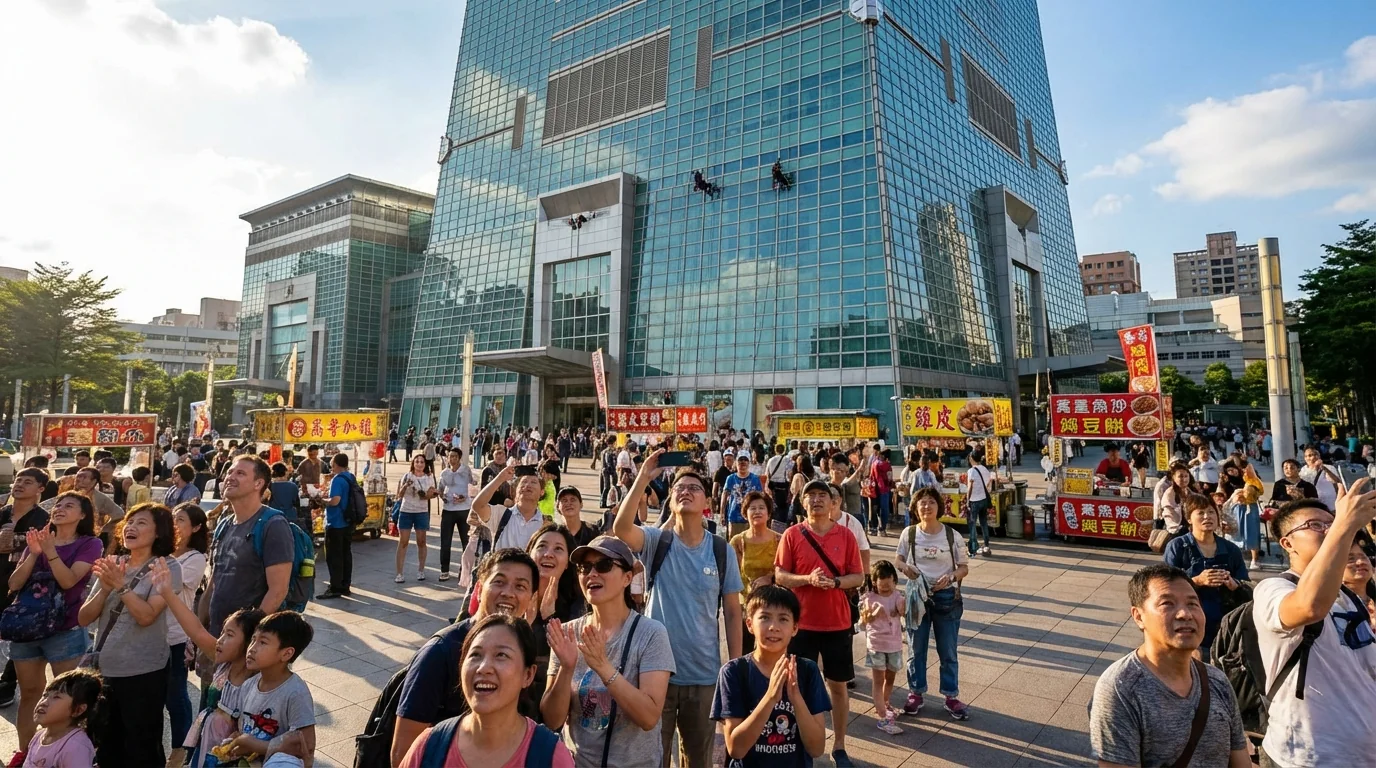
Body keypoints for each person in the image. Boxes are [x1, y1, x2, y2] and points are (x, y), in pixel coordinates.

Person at [612, 450, 743, 768]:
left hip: (703, 675)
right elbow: (622, 528)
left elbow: (733, 612)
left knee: (697, 760)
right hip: (656, 675)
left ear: (705, 503)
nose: (685, 491)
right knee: (652, 758)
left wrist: (736, 669)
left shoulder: (720, 549)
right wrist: (643, 477)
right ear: (671, 503)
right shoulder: (658, 541)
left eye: (694, 488)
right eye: (679, 488)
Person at [1253, 489, 1376, 766]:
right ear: (1287, 543)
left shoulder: (1348, 596)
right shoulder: (1273, 588)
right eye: (1315, 525)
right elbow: (1310, 607)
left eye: (1330, 523)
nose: (1328, 529)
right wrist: (1343, 526)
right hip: (1308, 757)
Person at [1089, 564, 1249, 768]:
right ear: (1138, 616)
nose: (1185, 614)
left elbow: (1240, 760)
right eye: (1167, 604)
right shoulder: (1120, 689)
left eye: (1193, 604)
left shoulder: (1217, 681)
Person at [390, 549, 541, 766]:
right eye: (499, 582)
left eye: (520, 586)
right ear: (479, 588)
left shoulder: (523, 646)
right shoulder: (440, 651)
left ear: (531, 598)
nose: (508, 592)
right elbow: (403, 755)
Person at [542, 536, 675, 767]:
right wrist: (567, 668)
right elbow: (552, 719)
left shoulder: (652, 634)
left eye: (603, 565)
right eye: (585, 567)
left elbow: (649, 717)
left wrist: (604, 667)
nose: (592, 574)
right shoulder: (567, 634)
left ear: (627, 578)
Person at [78, 503, 183, 766]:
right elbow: (83, 618)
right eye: (129, 521)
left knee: (142, 746)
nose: (131, 527)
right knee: (105, 745)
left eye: (141, 523)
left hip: (144, 670)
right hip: (104, 670)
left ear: (159, 532)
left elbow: (147, 616)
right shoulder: (114, 564)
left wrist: (121, 586)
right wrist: (104, 589)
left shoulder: (166, 566)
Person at [399, 614, 574, 768]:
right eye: (475, 655)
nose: (483, 668)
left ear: (528, 675)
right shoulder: (430, 746)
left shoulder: (550, 757)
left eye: (501, 655)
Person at [4, 491, 101, 765]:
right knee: (31, 694)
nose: (60, 508)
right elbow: (14, 584)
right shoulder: (39, 541)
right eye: (58, 504)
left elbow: (69, 581)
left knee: (71, 698)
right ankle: (27, 755)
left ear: (83, 515)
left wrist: (50, 552)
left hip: (66, 628)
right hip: (28, 629)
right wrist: (34, 554)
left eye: (69, 506)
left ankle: (69, 755)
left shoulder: (90, 544)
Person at [773, 477, 863, 767]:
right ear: (803, 502)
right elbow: (780, 575)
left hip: (837, 623)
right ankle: (802, 741)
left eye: (822, 495)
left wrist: (835, 582)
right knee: (796, 686)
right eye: (810, 495)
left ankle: (839, 746)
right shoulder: (792, 535)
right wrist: (807, 580)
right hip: (801, 624)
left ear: (833, 502)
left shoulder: (846, 536)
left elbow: (858, 577)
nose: (816, 500)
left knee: (837, 686)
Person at [712, 585, 828, 768]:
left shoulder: (807, 671)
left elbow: (817, 748)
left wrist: (796, 697)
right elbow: (736, 749)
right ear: (749, 624)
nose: (774, 627)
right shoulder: (734, 672)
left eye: (783, 619)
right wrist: (770, 697)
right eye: (764, 618)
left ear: (795, 628)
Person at [895, 486, 970, 720]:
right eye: (922, 503)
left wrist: (951, 577)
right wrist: (906, 567)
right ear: (916, 509)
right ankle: (915, 693)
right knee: (916, 647)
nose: (926, 507)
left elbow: (963, 567)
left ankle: (951, 695)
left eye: (931, 502)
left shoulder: (951, 535)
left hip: (945, 597)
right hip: (917, 596)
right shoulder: (909, 534)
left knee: (947, 649)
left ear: (939, 506)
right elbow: (898, 560)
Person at [201, 456, 294, 641]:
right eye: (229, 472)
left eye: (240, 473)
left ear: (258, 483)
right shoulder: (225, 523)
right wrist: (200, 628)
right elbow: (214, 581)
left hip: (247, 640)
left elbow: (278, 591)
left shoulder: (273, 524)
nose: (230, 477)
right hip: (216, 635)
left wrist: (249, 635)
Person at [1161, 495, 1249, 650]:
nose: (1207, 516)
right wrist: (1196, 581)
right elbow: (1165, 587)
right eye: (1200, 513)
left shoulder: (1231, 549)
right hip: (1186, 624)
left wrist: (1234, 584)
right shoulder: (1178, 547)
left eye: (1211, 512)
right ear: (1189, 519)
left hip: (1224, 627)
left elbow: (1246, 587)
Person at [0, 468, 55, 710]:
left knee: (18, 633)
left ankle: (7, 684)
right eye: (18, 480)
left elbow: (43, 547)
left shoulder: (44, 519)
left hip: (24, 586)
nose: (19, 484)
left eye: (27, 482)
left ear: (40, 489)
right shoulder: (2, 513)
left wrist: (13, 541)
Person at [164, 503, 209, 768]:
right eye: (172, 518)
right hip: (146, 635)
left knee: (176, 697)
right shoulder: (161, 552)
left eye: (180, 520)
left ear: (196, 527)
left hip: (174, 635)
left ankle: (181, 748)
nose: (174, 524)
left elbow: (171, 586)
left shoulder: (195, 558)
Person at [525, 524, 584, 706]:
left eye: (558, 549)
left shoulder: (579, 605)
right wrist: (523, 624)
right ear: (530, 554)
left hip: (556, 698)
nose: (548, 554)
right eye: (541, 546)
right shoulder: (512, 596)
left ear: (567, 562)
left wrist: (549, 619)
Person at [729, 492, 780, 655]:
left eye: (761, 508)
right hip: (746, 606)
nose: (757, 512)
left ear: (768, 513)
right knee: (746, 652)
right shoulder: (737, 542)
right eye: (752, 508)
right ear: (745, 513)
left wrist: (770, 578)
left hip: (774, 605)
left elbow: (787, 572)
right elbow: (731, 576)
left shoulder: (780, 540)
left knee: (771, 651)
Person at [21, 668, 103, 768]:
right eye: (45, 695)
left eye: (56, 697)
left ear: (78, 710)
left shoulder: (75, 746)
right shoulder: (39, 735)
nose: (44, 702)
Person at [859, 560, 905, 735]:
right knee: (878, 681)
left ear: (894, 581)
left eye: (889, 585)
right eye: (882, 587)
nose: (885, 589)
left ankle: (884, 703)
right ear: (874, 583)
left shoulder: (897, 596)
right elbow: (862, 624)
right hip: (876, 645)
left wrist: (904, 607)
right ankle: (883, 716)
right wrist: (871, 614)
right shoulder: (869, 598)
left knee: (890, 678)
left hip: (894, 645)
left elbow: (905, 612)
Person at [471, 463, 552, 553]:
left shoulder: (546, 524)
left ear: (542, 492)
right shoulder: (502, 514)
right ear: (515, 491)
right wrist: (500, 478)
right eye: (524, 482)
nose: (528, 485)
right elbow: (478, 506)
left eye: (533, 482)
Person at [319, 453, 357, 599]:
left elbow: (335, 500)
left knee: (334, 556)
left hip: (336, 522)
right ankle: (345, 584)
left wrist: (323, 500)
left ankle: (335, 587)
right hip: (348, 521)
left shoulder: (337, 480)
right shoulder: (350, 477)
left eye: (332, 462)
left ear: (336, 464)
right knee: (346, 554)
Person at [396, 454, 438, 583]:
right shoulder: (407, 476)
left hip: (421, 512)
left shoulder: (429, 478)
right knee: (403, 542)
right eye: (417, 461)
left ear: (425, 464)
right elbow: (399, 495)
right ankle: (399, 573)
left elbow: (432, 494)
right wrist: (405, 486)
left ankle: (421, 570)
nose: (419, 464)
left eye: (422, 462)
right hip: (406, 511)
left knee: (421, 541)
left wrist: (426, 495)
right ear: (413, 463)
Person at [438, 448, 475, 581]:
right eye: (450, 456)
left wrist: (465, 497)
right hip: (448, 509)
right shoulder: (444, 473)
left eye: (454, 456)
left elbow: (473, 487)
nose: (452, 459)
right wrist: (443, 496)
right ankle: (444, 569)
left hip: (464, 509)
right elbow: (440, 489)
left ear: (459, 458)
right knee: (445, 541)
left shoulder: (466, 471)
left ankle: (464, 570)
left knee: (466, 541)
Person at [721, 452, 763, 540]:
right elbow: (724, 496)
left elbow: (760, 498)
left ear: (749, 462)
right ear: (736, 463)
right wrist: (722, 514)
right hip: (734, 518)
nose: (743, 462)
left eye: (745, 460)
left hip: (751, 518)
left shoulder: (755, 479)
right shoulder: (731, 479)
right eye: (740, 460)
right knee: (734, 545)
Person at [963, 450, 996, 557]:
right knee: (983, 522)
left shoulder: (972, 471)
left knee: (972, 524)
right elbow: (988, 483)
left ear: (971, 459)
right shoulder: (985, 470)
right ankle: (986, 545)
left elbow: (970, 487)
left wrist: (967, 500)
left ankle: (973, 548)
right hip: (983, 500)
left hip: (974, 501)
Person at [1224, 484, 1264, 571]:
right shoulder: (1236, 498)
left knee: (1252, 535)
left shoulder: (1253, 501)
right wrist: (1235, 498)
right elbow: (1226, 507)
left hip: (1250, 513)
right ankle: (1235, 560)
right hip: (1238, 513)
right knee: (1235, 536)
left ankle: (1254, 560)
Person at [1300, 446, 1343, 511]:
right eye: (1309, 455)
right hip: (1313, 503)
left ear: (1319, 456)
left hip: (1329, 503)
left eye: (1315, 454)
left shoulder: (1329, 467)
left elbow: (1336, 481)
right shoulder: (1303, 470)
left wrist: (1324, 469)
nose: (1312, 457)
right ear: (1305, 458)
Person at [763, 445, 793, 531]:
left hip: (773, 487)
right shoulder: (787, 460)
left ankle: (773, 529)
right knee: (783, 510)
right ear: (784, 450)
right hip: (784, 487)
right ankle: (782, 530)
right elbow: (789, 474)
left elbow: (767, 475)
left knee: (774, 509)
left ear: (775, 450)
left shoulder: (770, 460)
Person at [867, 445, 894, 537]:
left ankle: (873, 528)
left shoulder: (874, 463)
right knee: (884, 510)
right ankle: (882, 529)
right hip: (884, 490)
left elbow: (871, 476)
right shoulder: (887, 466)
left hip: (874, 489)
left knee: (874, 509)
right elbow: (889, 479)